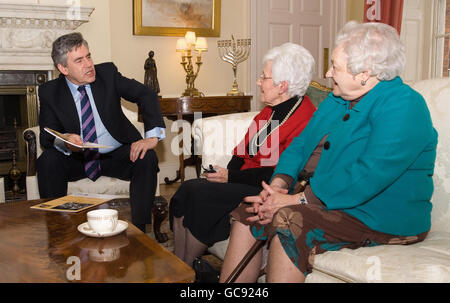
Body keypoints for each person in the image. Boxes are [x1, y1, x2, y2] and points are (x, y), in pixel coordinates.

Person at [220, 21, 438, 283]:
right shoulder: (337, 99)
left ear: (364, 74)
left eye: (335, 65)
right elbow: (300, 145)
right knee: (251, 208)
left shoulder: (404, 106)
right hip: (336, 204)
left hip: (381, 215)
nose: (327, 72)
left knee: (290, 220)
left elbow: (367, 176)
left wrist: (295, 200)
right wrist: (279, 185)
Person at [169, 43, 317, 268]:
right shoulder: (269, 110)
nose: (258, 81)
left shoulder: (305, 117)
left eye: (263, 77)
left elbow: (280, 170)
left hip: (270, 187)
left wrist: (230, 178)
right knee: (189, 188)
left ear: (282, 85)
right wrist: (225, 174)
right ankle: (180, 264)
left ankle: (186, 267)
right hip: (243, 180)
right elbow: (242, 151)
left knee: (199, 193)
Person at [37, 32, 165, 232]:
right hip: (77, 159)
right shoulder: (49, 92)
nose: (88, 64)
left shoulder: (107, 74)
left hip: (116, 154)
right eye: (79, 60)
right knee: (48, 160)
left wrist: (152, 137)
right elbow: (46, 137)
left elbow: (145, 94)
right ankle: (58, 230)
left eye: (89, 56)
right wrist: (66, 141)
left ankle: (140, 230)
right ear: (63, 68)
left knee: (146, 156)